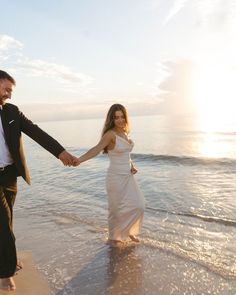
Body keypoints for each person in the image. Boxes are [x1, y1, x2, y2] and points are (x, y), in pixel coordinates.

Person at [0, 70, 78, 291]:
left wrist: (61, 152)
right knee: (3, 223)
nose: (9, 95)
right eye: (6, 89)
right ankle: (5, 274)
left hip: (9, 175)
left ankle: (9, 259)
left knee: (7, 220)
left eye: (10, 91)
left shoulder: (11, 112)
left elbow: (36, 132)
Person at [76, 104, 145, 247]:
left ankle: (127, 231)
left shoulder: (125, 133)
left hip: (128, 176)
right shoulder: (110, 135)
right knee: (116, 210)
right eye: (116, 117)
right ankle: (114, 238)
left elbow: (126, 154)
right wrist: (79, 160)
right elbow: (96, 150)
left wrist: (132, 166)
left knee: (139, 205)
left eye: (122, 117)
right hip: (115, 178)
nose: (120, 120)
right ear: (111, 119)